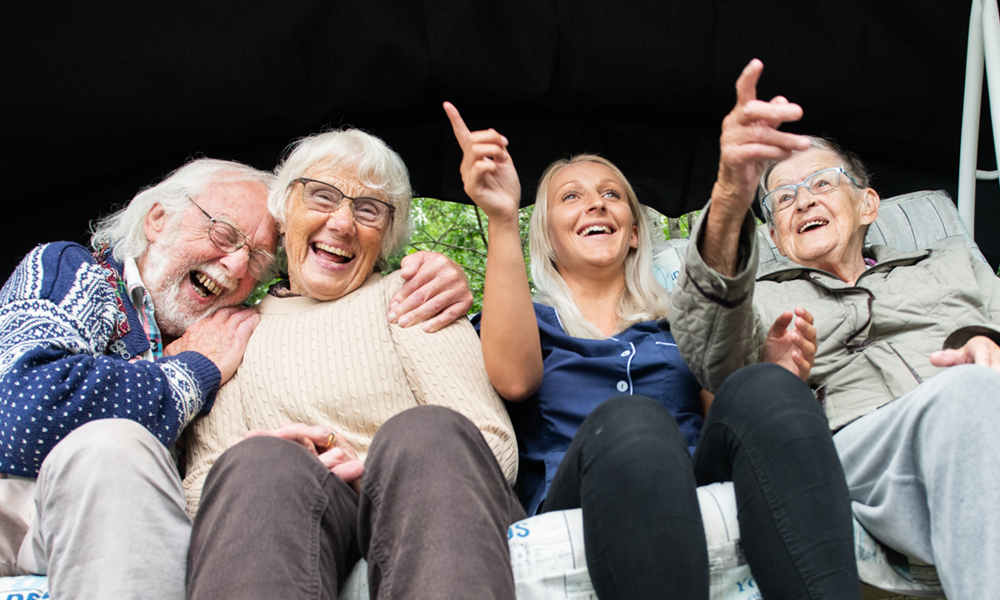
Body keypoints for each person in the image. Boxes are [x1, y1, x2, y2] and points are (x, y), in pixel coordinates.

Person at [0, 156, 473, 598]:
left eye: (260, 260)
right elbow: (19, 413)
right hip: (24, 506)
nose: (236, 266)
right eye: (225, 235)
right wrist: (190, 370)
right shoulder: (74, 271)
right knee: (114, 450)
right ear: (158, 219)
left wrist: (436, 276)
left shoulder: (237, 329)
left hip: (150, 534)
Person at [444, 102, 861, 600]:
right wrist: (503, 216)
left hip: (694, 479)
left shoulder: (678, 326)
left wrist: (775, 375)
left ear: (636, 231)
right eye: (571, 197)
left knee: (763, 384)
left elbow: (725, 421)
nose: (596, 204)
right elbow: (514, 380)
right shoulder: (526, 321)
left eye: (612, 195)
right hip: (580, 489)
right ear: (548, 238)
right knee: (633, 421)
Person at [670, 58, 1000, 600]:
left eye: (823, 182)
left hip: (980, 409)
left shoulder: (953, 258)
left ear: (868, 203)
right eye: (783, 197)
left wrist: (983, 341)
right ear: (774, 230)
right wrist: (732, 193)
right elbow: (709, 353)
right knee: (967, 399)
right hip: (860, 445)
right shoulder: (761, 296)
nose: (803, 200)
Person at [183, 128, 524, 600]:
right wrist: (274, 456)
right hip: (294, 517)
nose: (342, 223)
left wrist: (375, 472)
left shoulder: (413, 297)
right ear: (283, 213)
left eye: (368, 210)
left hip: (433, 505)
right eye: (321, 196)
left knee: (426, 433)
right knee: (261, 464)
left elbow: (494, 447)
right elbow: (199, 488)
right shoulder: (236, 334)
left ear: (385, 236)